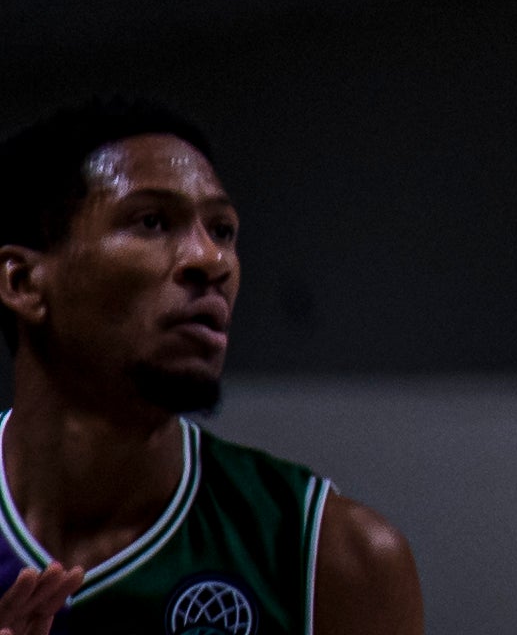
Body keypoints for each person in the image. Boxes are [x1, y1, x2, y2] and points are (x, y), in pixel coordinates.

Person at [0, 98, 423, 632]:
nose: (212, 259)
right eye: (152, 221)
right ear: (22, 282)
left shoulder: (333, 556)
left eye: (223, 230)